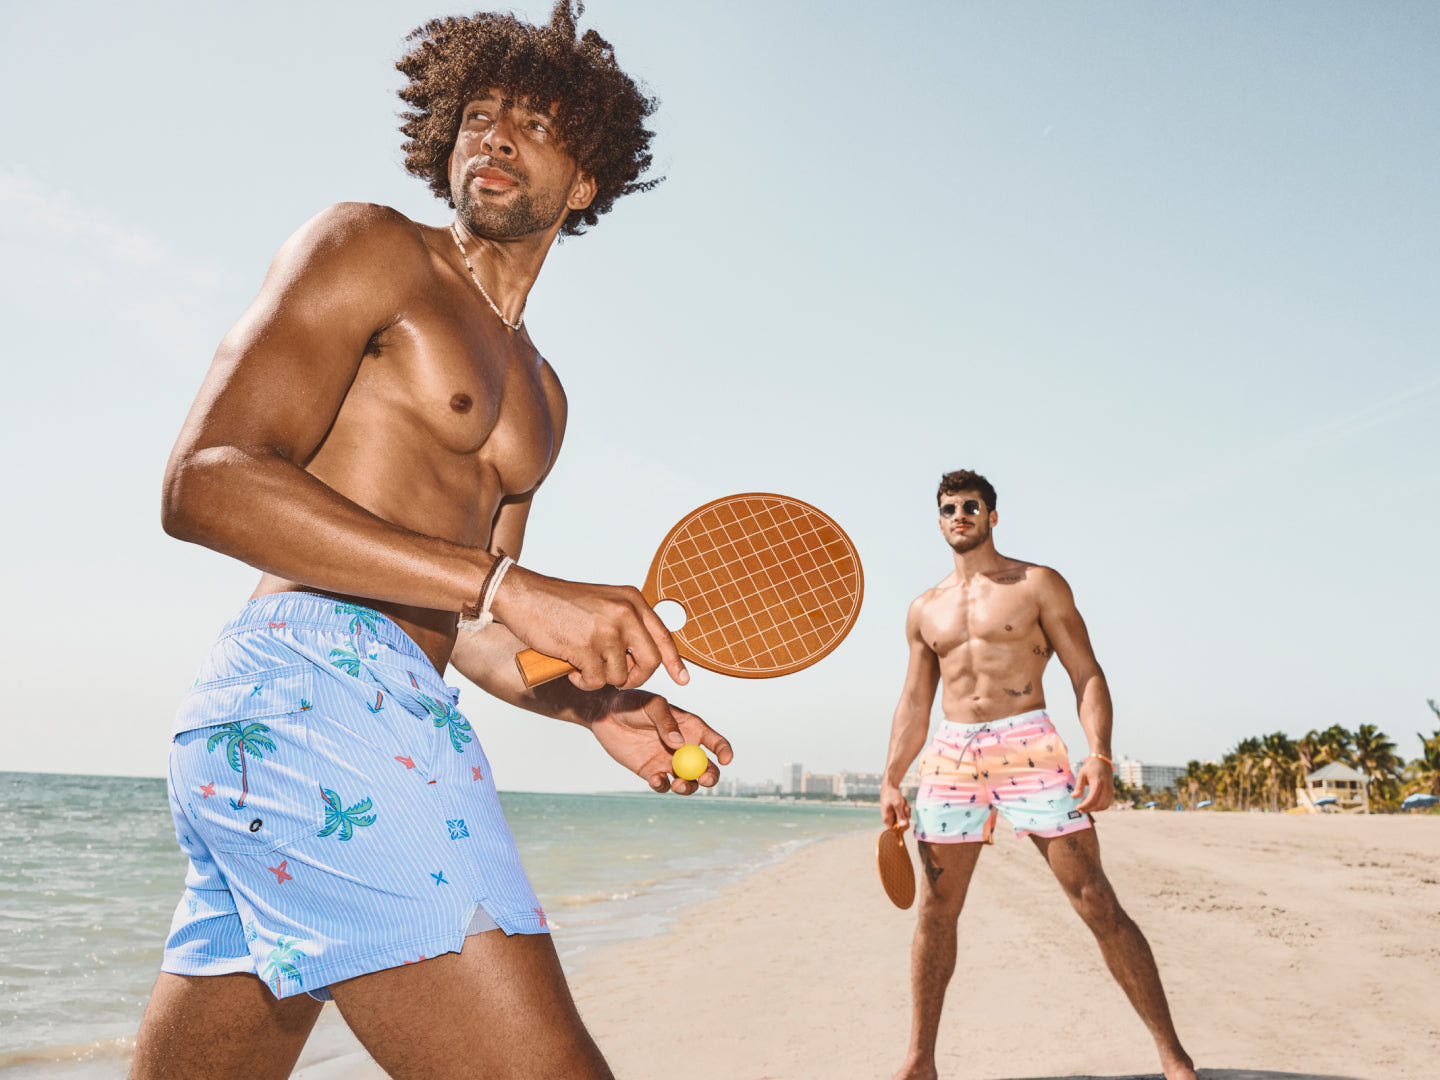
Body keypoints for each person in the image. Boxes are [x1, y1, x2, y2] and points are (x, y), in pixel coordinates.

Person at [130, 6, 731, 1078]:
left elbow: (479, 626)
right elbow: (203, 482)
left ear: (585, 183)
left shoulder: (543, 394)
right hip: (306, 687)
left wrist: (591, 699)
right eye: (479, 114)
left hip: (396, 704)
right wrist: (506, 586)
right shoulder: (369, 246)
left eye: (534, 124)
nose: (494, 135)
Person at [880, 470, 1196, 1080]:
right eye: (948, 508)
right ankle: (920, 1061)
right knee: (936, 910)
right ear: (939, 519)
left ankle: (1173, 1055)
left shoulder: (1036, 584)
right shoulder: (925, 608)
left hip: (1026, 742)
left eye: (971, 506)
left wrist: (1099, 754)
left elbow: (1087, 673)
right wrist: (893, 777)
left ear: (993, 516)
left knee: (1095, 899)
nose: (959, 515)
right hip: (950, 757)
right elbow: (915, 702)